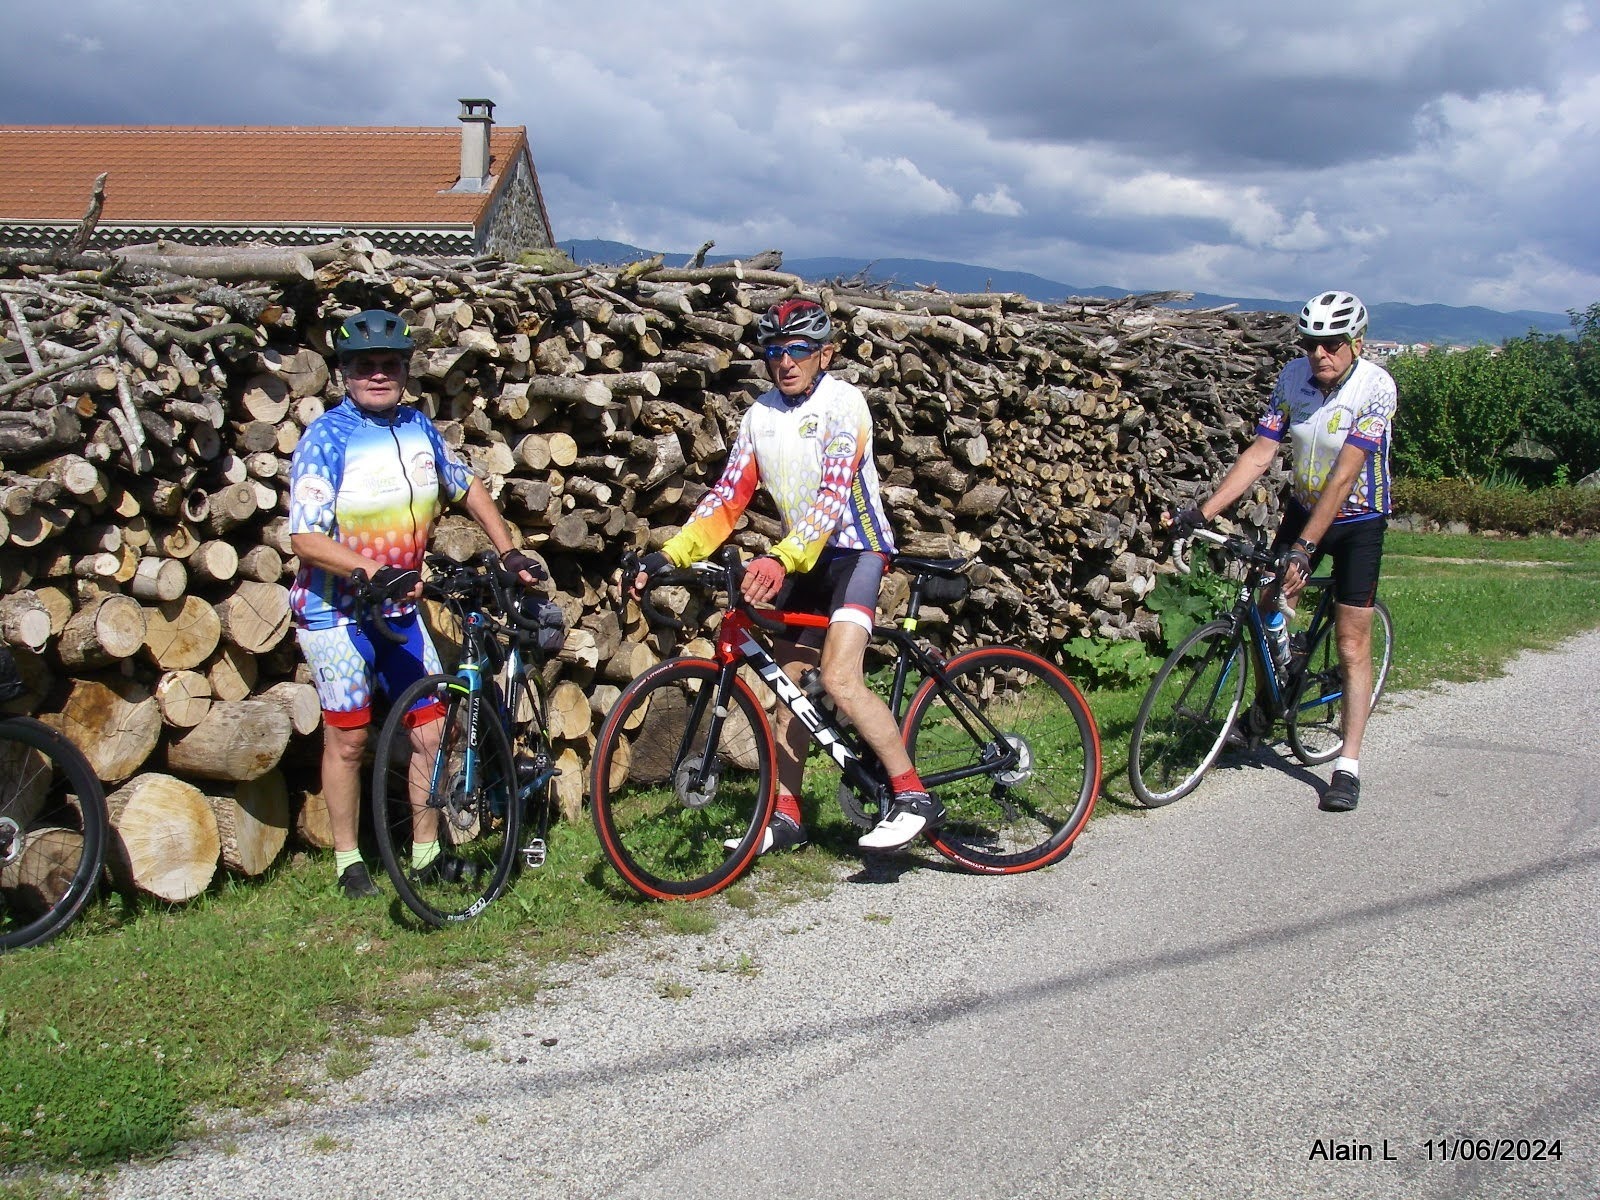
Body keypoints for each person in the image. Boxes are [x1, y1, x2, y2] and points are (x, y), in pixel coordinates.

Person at [629, 298, 943, 853]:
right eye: (774, 351)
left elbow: (832, 497)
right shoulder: (760, 416)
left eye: (798, 349)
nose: (785, 361)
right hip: (804, 557)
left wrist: (778, 558)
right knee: (788, 691)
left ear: (825, 354)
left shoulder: (845, 405)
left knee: (839, 678)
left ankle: (913, 794)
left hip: (856, 553)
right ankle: (788, 815)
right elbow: (728, 497)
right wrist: (670, 556)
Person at [289, 308, 543, 897]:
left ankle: (427, 855)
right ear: (345, 373)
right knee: (349, 739)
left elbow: (466, 484)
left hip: (400, 610)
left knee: (432, 733)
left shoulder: (417, 428)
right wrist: (373, 571)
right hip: (336, 614)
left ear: (406, 371)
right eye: (364, 366)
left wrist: (507, 550)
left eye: (389, 365)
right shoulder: (327, 438)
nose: (377, 375)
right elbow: (304, 538)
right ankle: (349, 862)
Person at [1171, 289, 1397, 813]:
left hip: (1357, 521)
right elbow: (1261, 453)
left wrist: (1304, 548)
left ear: (1357, 343)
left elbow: (1345, 477)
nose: (1320, 353)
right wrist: (1203, 512)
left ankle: (1347, 766)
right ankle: (1269, 701)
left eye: (1332, 343)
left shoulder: (1376, 387)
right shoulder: (1293, 378)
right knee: (1268, 602)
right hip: (1304, 506)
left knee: (1351, 643)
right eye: (1311, 342)